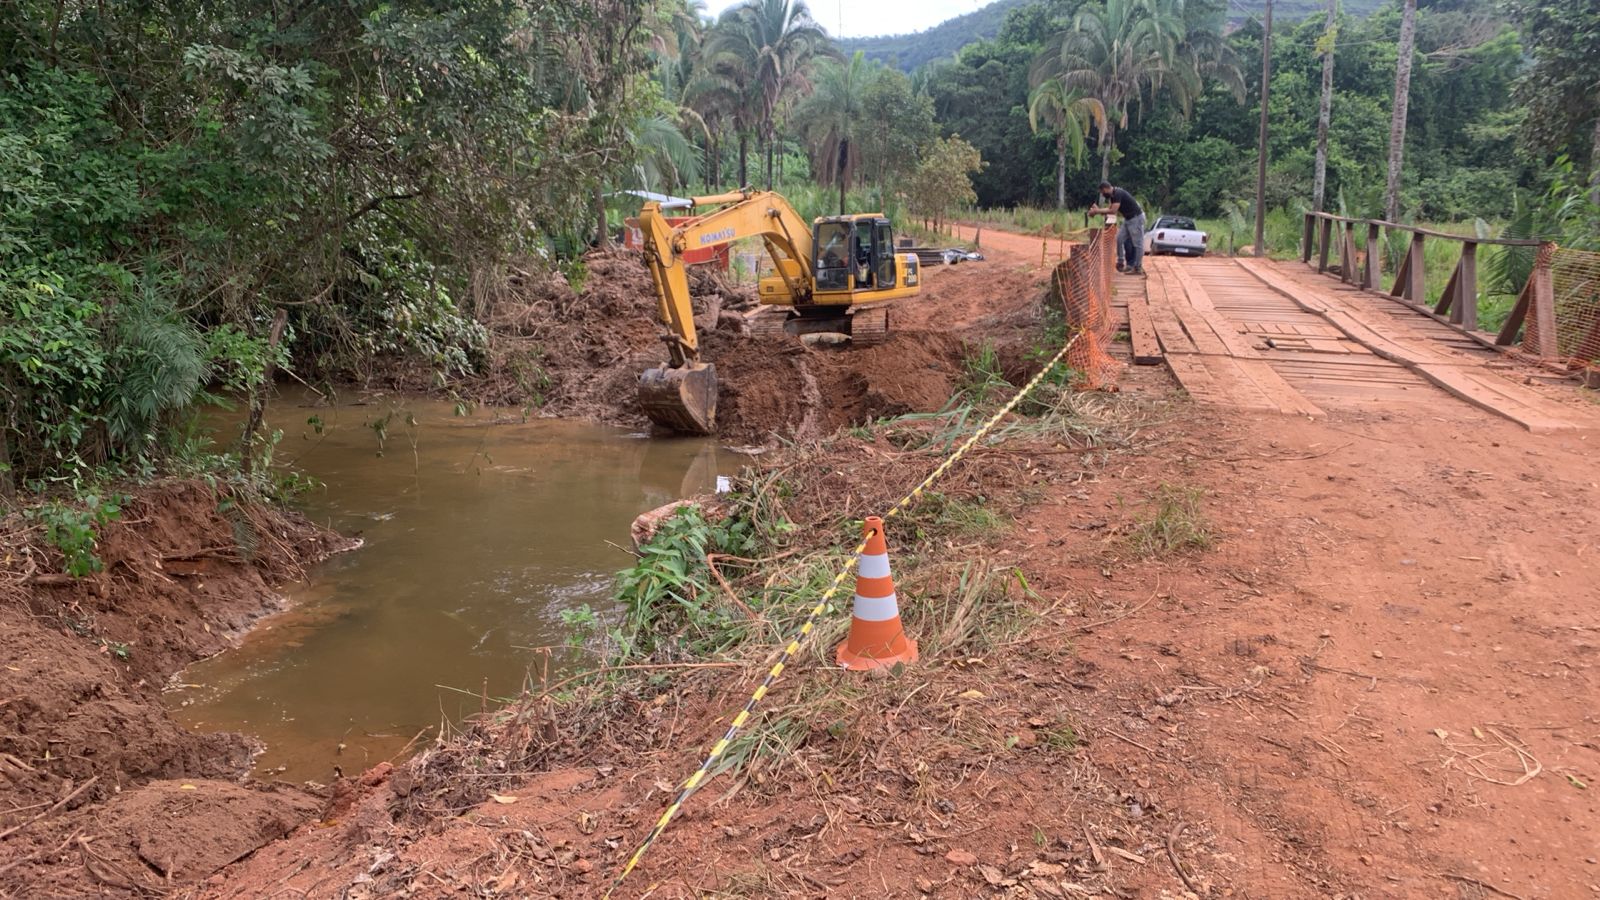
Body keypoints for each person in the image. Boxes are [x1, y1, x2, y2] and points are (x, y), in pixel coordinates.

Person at [1088, 181, 1146, 276]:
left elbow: (1113, 211)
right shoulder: (1113, 196)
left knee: (1138, 244)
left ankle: (1137, 267)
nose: (1103, 195)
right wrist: (1097, 211)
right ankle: (1120, 261)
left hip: (1136, 218)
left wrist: (1096, 211)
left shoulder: (1118, 193)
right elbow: (1109, 210)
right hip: (1128, 220)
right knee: (1119, 239)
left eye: (1102, 192)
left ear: (1106, 189)